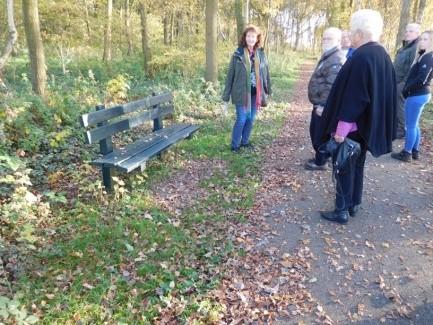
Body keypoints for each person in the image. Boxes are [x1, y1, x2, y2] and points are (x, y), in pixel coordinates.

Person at [318, 9, 397, 224]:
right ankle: (354, 203)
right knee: (358, 164)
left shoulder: (362, 56)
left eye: (352, 32)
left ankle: (341, 210)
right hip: (366, 126)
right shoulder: (382, 55)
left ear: (361, 34)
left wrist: (341, 131)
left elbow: (355, 98)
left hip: (352, 127)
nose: (350, 37)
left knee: (344, 165)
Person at [222, 25, 271, 152]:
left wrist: (268, 90)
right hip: (240, 93)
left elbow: (266, 73)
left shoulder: (261, 54)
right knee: (242, 119)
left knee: (250, 118)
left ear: (257, 38)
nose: (251, 38)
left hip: (256, 94)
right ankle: (235, 145)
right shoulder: (237, 54)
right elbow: (230, 76)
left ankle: (245, 142)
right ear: (245, 37)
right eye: (248, 36)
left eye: (253, 36)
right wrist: (225, 98)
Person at [305, 27, 346, 170]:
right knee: (316, 131)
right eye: (324, 38)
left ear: (338, 41)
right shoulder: (329, 55)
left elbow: (331, 85)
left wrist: (322, 104)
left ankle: (321, 161)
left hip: (323, 106)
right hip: (319, 104)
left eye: (329, 38)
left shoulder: (336, 58)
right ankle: (321, 157)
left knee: (320, 133)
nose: (325, 41)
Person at [391, 30, 433, 162]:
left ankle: (407, 153)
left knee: (410, 125)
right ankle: (415, 150)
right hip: (419, 94)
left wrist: (407, 89)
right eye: (421, 39)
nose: (422, 42)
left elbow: (422, 79)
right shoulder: (422, 55)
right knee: (414, 124)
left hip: (418, 95)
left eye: (426, 39)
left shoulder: (428, 57)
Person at [394, 23, 421, 138]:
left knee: (400, 105)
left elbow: (412, 68)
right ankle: (396, 127)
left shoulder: (415, 48)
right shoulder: (404, 47)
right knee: (395, 104)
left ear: (417, 34)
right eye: (407, 30)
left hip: (403, 83)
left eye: (411, 31)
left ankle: (401, 130)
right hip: (395, 80)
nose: (407, 33)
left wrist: (403, 84)